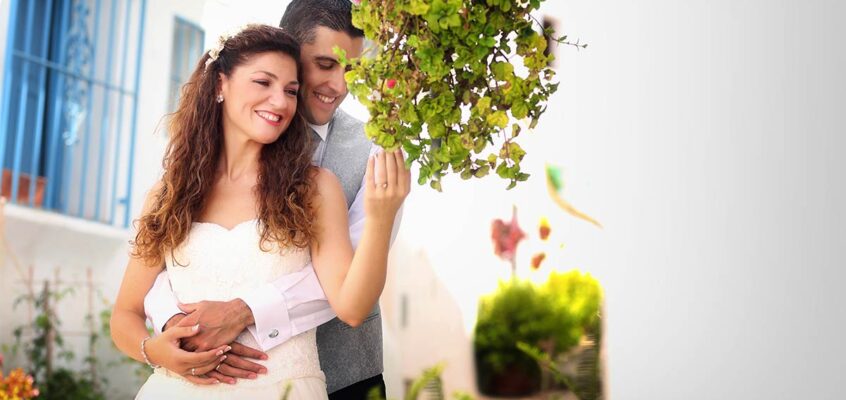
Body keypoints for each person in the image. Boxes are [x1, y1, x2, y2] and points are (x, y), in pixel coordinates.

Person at [110, 24, 409, 399]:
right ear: (220, 84)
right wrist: (154, 351)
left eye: (290, 91)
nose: (280, 102)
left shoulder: (314, 188)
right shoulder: (170, 193)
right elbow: (125, 313)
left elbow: (352, 307)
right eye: (263, 83)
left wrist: (380, 218)